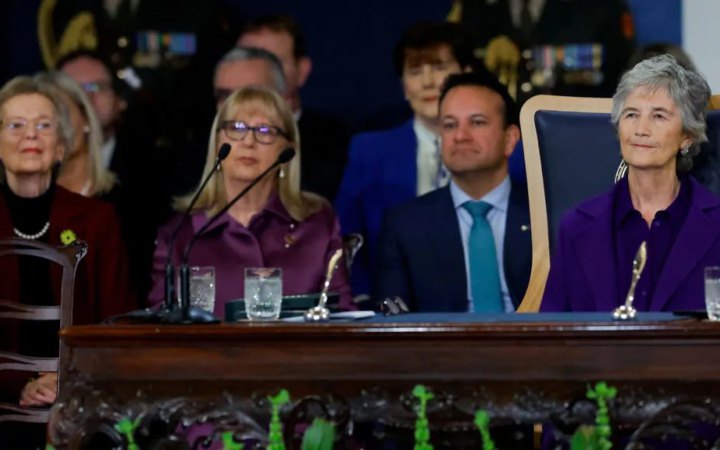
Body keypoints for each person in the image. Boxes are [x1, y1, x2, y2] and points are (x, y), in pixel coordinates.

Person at [0, 75, 135, 448]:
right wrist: (23, 383)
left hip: (81, 399)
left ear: (60, 147)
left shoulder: (98, 220)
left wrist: (66, 380)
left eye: (44, 125)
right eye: (16, 125)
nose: (31, 135)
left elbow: (118, 324)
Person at [148, 86, 352, 314]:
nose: (248, 141)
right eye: (236, 128)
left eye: (265, 130)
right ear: (217, 143)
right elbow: (159, 323)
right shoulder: (180, 234)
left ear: (288, 150)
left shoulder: (317, 224)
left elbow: (342, 314)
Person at [540, 55, 720, 313]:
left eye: (659, 116)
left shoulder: (716, 223)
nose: (641, 129)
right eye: (631, 114)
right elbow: (552, 328)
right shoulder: (577, 226)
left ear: (687, 137)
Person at [334, 21, 473, 299]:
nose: (428, 82)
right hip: (391, 304)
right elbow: (345, 238)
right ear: (404, 86)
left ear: (466, 75)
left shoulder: (507, 151)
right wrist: (362, 299)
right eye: (415, 71)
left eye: (439, 67)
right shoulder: (369, 151)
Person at [374, 70, 531, 313]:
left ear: (510, 139)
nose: (460, 136)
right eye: (449, 125)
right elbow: (392, 321)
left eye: (477, 122)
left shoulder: (547, 216)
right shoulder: (404, 226)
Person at [237, 14, 351, 202]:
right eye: (247, 61)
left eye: (272, 62)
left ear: (302, 71)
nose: (256, 74)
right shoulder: (211, 137)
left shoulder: (334, 141)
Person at [34, 71, 116, 198]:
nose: (55, 128)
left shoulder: (128, 199)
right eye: (41, 123)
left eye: (61, 114)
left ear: (85, 118)